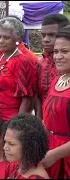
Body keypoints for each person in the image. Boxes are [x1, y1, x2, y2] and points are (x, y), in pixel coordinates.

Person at [0, 17, 36, 121]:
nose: (1, 41)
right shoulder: (0, 57)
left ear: (18, 40)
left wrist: (17, 127)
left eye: (6, 38)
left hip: (10, 120)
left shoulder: (22, 62)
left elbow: (27, 100)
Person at [41, 25, 70, 179]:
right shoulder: (57, 80)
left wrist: (54, 155)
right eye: (56, 52)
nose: (58, 56)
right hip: (49, 153)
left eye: (64, 51)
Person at [35, 14, 70, 119]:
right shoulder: (40, 64)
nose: (45, 39)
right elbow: (37, 97)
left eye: (51, 35)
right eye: (43, 35)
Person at [4, 113, 49, 179]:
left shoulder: (36, 177)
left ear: (29, 146)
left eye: (11, 144)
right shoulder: (14, 166)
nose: (5, 147)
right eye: (5, 142)